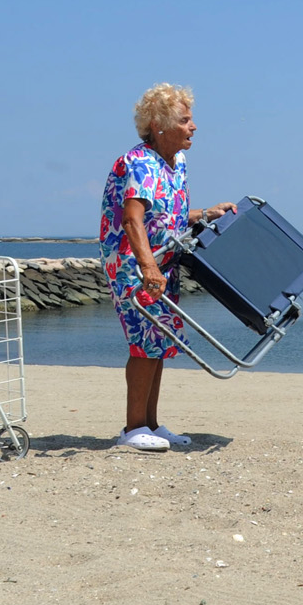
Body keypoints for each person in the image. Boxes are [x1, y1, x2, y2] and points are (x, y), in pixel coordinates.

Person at [99, 84, 236, 451]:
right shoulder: (139, 163)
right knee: (144, 342)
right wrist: (148, 267)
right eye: (185, 120)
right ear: (158, 125)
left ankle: (151, 424)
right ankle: (132, 428)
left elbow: (167, 217)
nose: (193, 126)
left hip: (163, 261)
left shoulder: (178, 163)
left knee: (158, 342)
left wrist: (206, 214)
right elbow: (132, 219)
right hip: (133, 264)